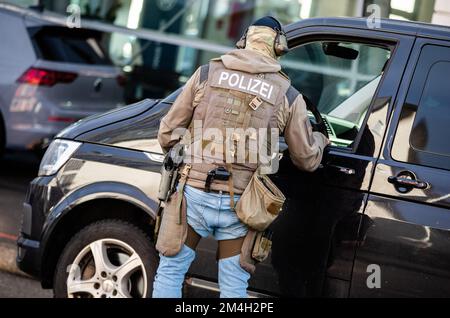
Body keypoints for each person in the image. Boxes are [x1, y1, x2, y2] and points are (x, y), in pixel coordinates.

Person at [153, 16, 330, 298]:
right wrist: (321, 138)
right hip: (244, 205)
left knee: (171, 271)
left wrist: (192, 150)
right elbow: (306, 160)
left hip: (193, 195)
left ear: (245, 40)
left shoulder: (206, 74)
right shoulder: (288, 94)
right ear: (278, 46)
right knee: (234, 287)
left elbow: (167, 133)